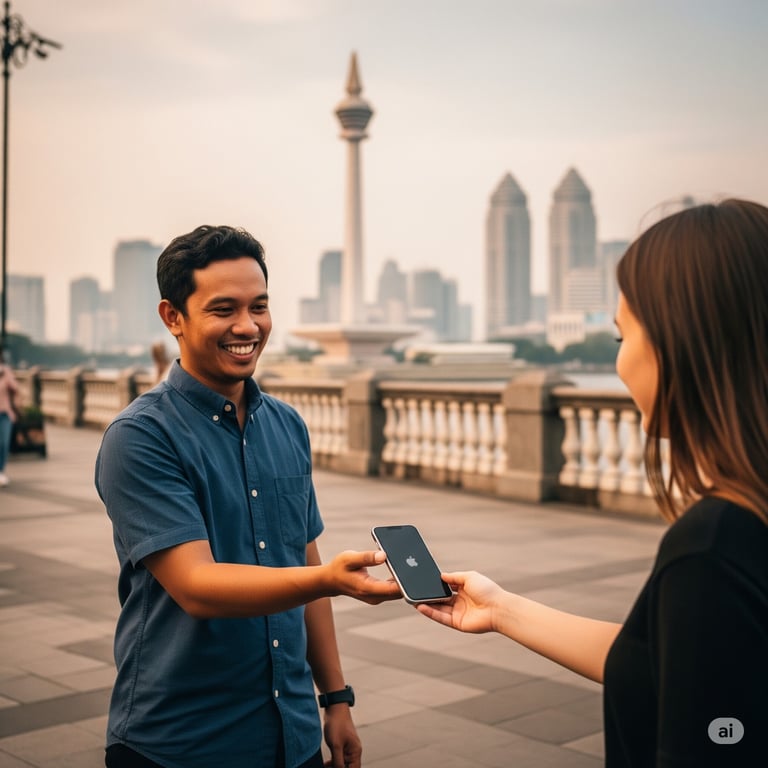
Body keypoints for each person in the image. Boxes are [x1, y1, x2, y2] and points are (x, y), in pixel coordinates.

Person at [417, 199, 768, 767]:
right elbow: (667, 666)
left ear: (683, 342)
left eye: (621, 337)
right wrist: (502, 610)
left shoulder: (712, 547)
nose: (622, 362)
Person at [95, 225, 401, 768]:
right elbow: (198, 586)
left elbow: (302, 559)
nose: (247, 326)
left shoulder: (286, 425)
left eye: (259, 306)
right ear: (173, 318)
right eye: (223, 309)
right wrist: (331, 578)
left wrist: (335, 700)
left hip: (294, 737)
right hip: (182, 743)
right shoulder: (141, 437)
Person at [0, 359, 20, 487]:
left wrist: (16, 408)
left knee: (3, 444)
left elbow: (16, 389)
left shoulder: (5, 372)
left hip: (4, 414)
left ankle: (0, 471)